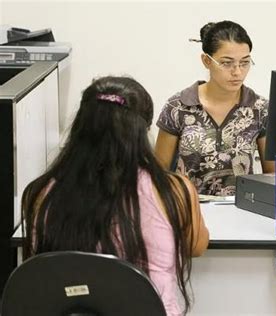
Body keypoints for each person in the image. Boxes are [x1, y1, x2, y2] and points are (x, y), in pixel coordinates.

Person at [21, 76, 209, 316]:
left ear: (80, 126)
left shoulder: (41, 193)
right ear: (143, 131)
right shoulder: (174, 190)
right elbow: (196, 245)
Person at [155, 20, 275, 196]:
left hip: (241, 211)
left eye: (244, 62)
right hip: (190, 210)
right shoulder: (178, 107)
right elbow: (158, 176)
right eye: (227, 63)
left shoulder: (259, 109)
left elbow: (271, 176)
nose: (237, 72)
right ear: (206, 60)